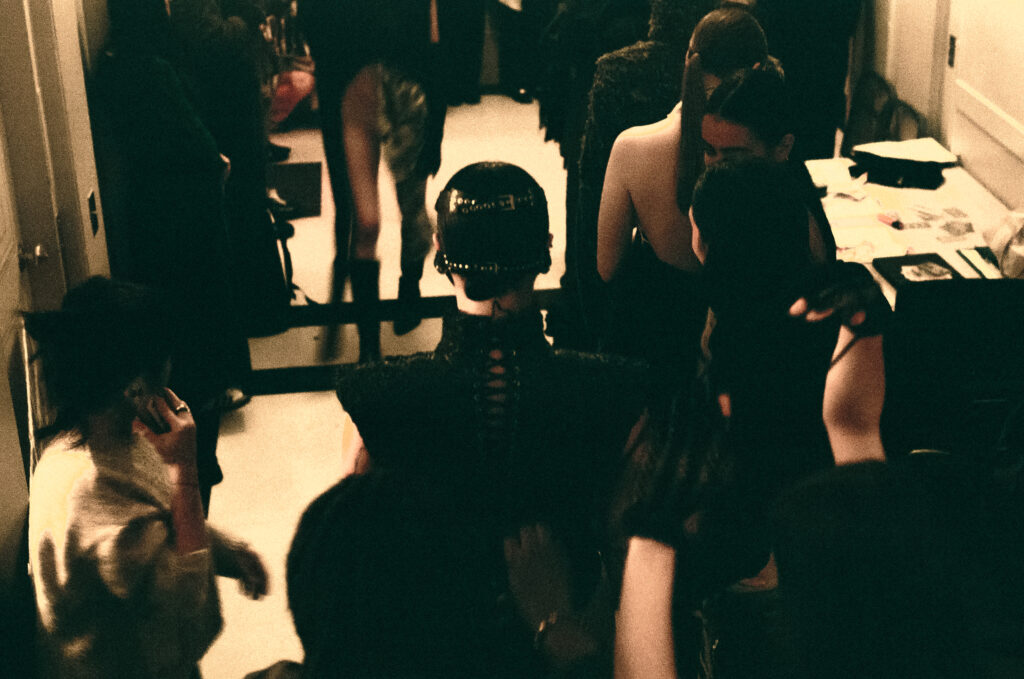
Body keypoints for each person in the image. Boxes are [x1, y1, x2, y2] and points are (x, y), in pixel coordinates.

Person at [335, 162, 649, 673]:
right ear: (546, 249)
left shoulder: (377, 401)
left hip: (433, 648)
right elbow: (628, 556)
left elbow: (354, 556)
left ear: (440, 251)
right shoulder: (617, 394)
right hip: (570, 637)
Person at [614, 159, 886, 678]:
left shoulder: (712, 344)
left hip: (746, 560)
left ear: (705, 239)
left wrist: (652, 542)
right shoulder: (831, 317)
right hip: (815, 532)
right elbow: (854, 425)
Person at [25, 277, 268, 679]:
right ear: (136, 388)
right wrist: (185, 473)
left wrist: (228, 551)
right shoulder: (95, 495)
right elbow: (190, 627)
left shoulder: (87, 441)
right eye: (167, 359)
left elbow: (161, 520)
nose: (172, 369)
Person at [93, 0, 248, 510]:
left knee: (175, 345)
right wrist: (218, 165)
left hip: (147, 220)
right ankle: (199, 477)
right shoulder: (154, 69)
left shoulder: (111, 67)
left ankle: (184, 479)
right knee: (204, 346)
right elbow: (207, 154)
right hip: (191, 224)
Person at [299, 0, 448, 360]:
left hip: (405, 88)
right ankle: (370, 351)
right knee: (366, 223)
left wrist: (436, 126)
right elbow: (313, 22)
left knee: (412, 212)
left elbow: (432, 40)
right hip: (353, 87)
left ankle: (409, 288)